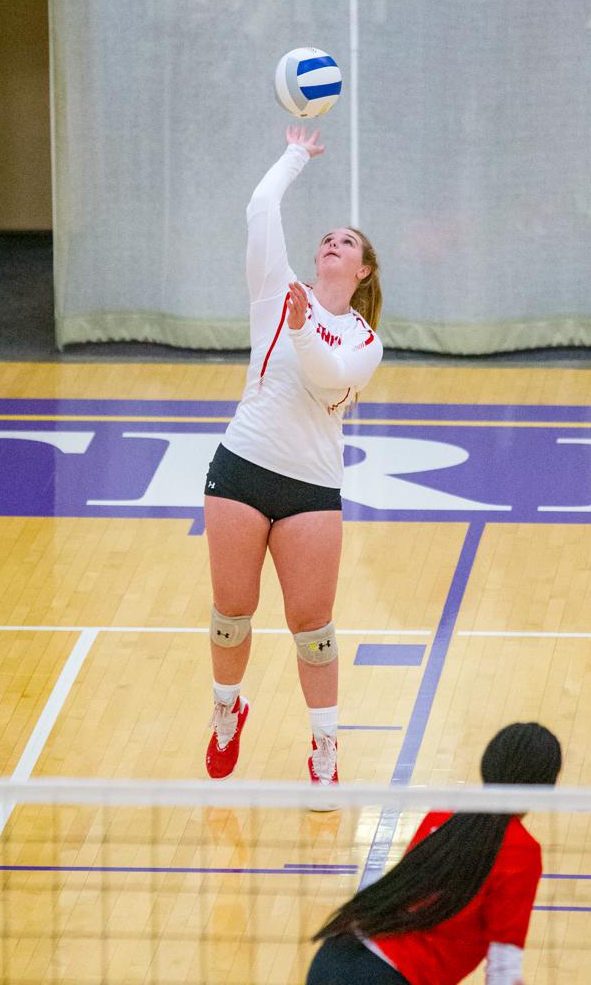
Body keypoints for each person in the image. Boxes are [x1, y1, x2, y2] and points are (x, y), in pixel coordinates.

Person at [203, 125, 384, 794]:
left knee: (313, 629)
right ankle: (227, 713)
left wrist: (306, 325)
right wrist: (294, 156)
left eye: (347, 242)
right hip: (241, 466)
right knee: (231, 614)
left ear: (362, 270)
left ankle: (326, 748)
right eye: (327, 238)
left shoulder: (364, 340)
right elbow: (260, 208)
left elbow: (327, 377)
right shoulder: (275, 289)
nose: (331, 244)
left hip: (310, 487)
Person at [306, 722, 563, 984]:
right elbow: (503, 973)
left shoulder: (445, 812)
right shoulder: (520, 850)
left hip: (334, 956)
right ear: (545, 786)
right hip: (387, 976)